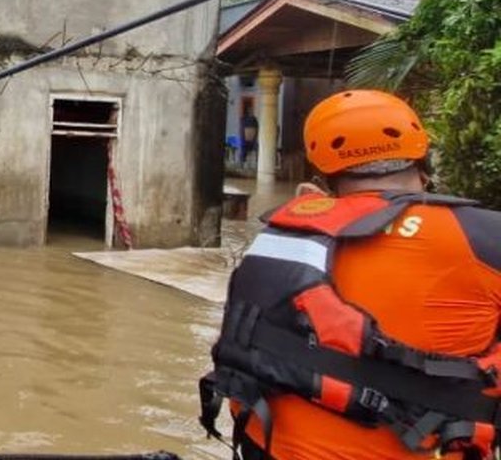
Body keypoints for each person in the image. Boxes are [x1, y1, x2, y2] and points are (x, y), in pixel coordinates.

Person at [200, 89, 501, 460]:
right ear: (422, 164)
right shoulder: (486, 237)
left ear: (324, 177)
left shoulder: (283, 234)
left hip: (267, 447)